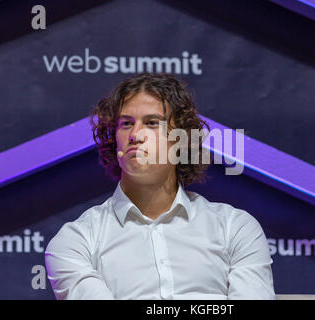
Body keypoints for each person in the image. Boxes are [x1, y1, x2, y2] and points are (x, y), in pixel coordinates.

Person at [44, 73, 275, 300]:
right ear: (114, 140)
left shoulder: (234, 228)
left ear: (181, 138)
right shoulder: (76, 242)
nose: (135, 135)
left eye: (151, 123)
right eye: (126, 124)